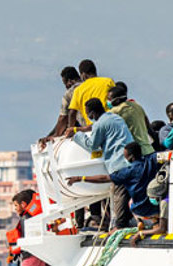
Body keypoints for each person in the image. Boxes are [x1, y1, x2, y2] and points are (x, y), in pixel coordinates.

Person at [69, 98, 136, 227]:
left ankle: (120, 226)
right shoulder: (115, 118)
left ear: (93, 113)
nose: (88, 116)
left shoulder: (100, 124)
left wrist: (77, 136)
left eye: (88, 113)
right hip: (131, 161)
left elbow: (92, 145)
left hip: (118, 163)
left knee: (120, 197)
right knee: (130, 195)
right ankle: (128, 222)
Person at [67, 142, 159, 224]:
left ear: (131, 157)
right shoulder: (151, 160)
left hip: (142, 209)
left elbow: (103, 178)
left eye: (125, 155)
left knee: (131, 202)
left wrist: (81, 178)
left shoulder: (127, 172)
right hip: (157, 205)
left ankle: (140, 221)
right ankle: (155, 219)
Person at [8, 190, 49, 266]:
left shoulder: (25, 218)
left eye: (16, 205)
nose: (15, 209)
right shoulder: (38, 216)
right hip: (40, 258)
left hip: (29, 259)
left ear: (23, 204)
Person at [108, 83, 155, 155]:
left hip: (135, 154)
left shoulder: (114, 112)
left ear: (116, 100)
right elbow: (148, 125)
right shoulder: (137, 106)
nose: (108, 101)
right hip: (148, 149)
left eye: (109, 99)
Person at [66, 60, 115, 126]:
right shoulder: (108, 81)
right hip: (110, 122)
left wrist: (70, 128)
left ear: (83, 74)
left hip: (92, 127)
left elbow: (72, 112)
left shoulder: (78, 90)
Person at [46, 66, 83, 139]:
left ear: (69, 81)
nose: (66, 87)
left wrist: (55, 135)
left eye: (65, 84)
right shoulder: (91, 86)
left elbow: (63, 118)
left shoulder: (69, 93)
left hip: (82, 128)